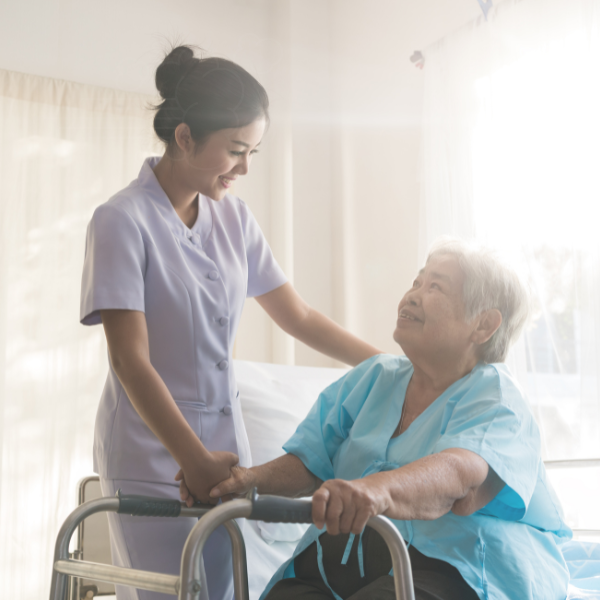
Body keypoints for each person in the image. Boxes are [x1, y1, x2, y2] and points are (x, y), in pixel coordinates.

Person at [79, 45, 382, 600]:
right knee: (168, 592)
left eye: (254, 152)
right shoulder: (121, 221)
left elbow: (298, 316)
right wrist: (190, 459)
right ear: (186, 137)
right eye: (236, 150)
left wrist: (388, 366)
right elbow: (129, 360)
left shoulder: (233, 216)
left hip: (225, 450)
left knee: (225, 589)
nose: (244, 168)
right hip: (153, 448)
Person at [181, 238, 572, 600]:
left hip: (460, 564)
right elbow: (312, 462)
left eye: (435, 287)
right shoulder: (374, 377)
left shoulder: (496, 397)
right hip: (344, 558)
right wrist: (246, 481)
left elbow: (461, 475)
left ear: (483, 325)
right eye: (417, 282)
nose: (414, 295)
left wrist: (377, 490)